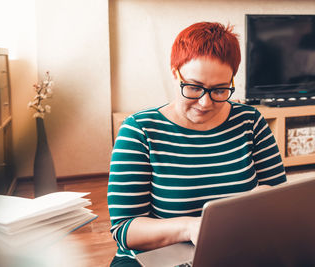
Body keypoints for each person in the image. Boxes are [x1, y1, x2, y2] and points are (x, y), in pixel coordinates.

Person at [107, 21, 287, 267]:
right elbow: (124, 229)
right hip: (157, 258)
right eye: (193, 87)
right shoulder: (139, 131)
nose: (205, 103)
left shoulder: (250, 121)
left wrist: (266, 196)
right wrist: (190, 228)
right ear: (174, 73)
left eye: (220, 90)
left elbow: (280, 196)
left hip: (237, 250)